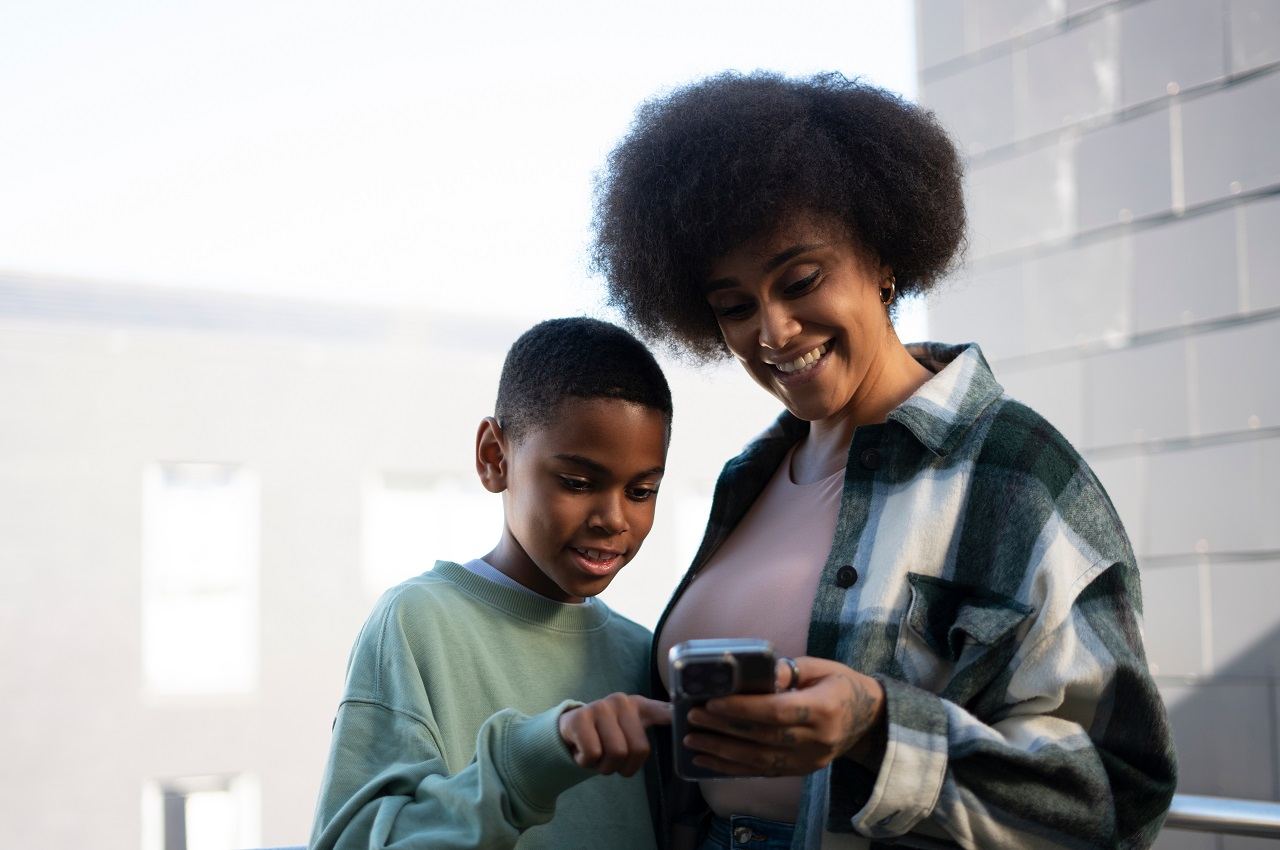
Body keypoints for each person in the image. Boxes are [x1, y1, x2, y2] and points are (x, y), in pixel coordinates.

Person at [592, 72, 1177, 850]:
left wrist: (877, 726)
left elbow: (1119, 795)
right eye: (734, 306)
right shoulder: (748, 480)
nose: (773, 331)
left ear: (882, 258)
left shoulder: (1015, 472)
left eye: (800, 280)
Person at [309, 317, 674, 850]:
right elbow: (353, 842)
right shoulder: (417, 623)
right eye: (577, 483)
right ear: (493, 457)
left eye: (641, 491)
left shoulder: (645, 652)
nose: (614, 519)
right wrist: (528, 766)